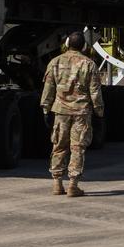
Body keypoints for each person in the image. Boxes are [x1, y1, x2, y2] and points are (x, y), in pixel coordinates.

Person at [40, 31, 104, 197]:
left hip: (60, 111)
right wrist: (99, 111)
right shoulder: (89, 64)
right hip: (81, 112)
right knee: (77, 148)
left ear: (67, 44)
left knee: (59, 146)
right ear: (83, 46)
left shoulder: (55, 62)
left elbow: (48, 88)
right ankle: (73, 185)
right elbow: (95, 91)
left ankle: (57, 183)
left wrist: (46, 109)